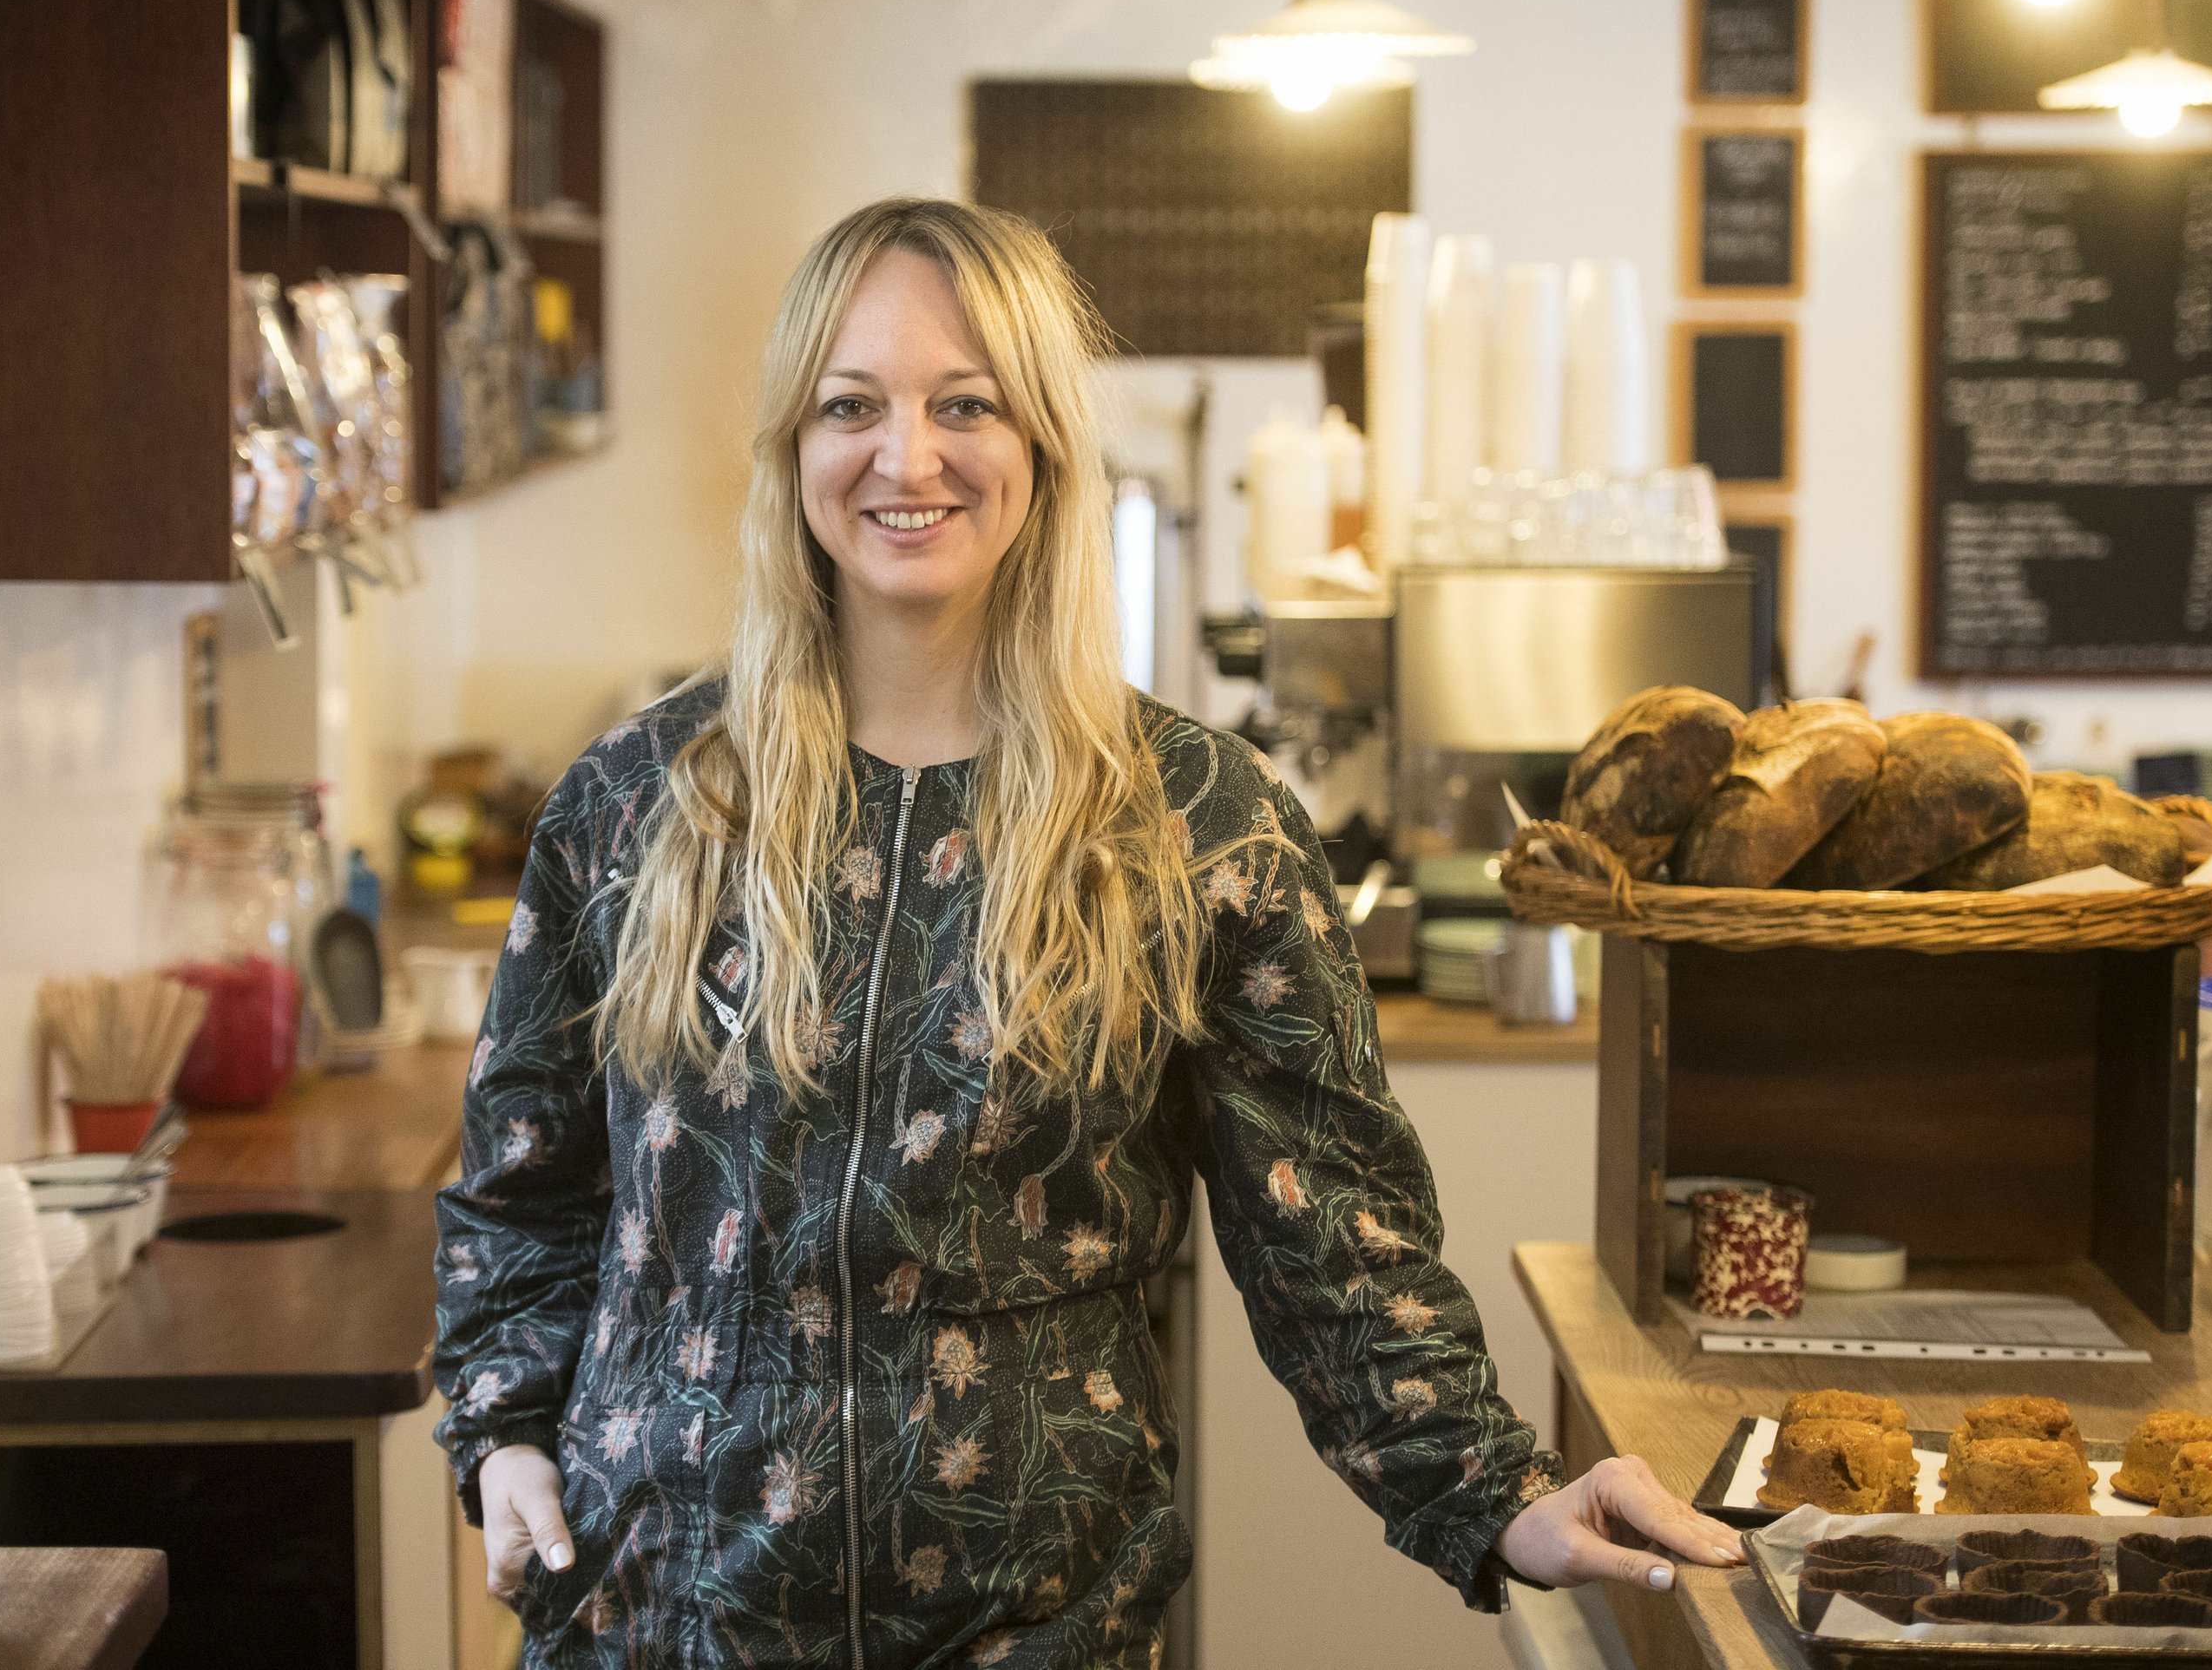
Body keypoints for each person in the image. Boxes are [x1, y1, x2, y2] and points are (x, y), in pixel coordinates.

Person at [433, 195, 1743, 1667]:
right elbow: (523, 1192)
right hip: (655, 1616)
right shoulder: (640, 804)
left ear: (1045, 444)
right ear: (794, 449)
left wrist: (1503, 1494)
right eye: (849, 405)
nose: (904, 457)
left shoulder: (1198, 824)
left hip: (1041, 1627)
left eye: (964, 405)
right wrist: (503, 1437)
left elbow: (1338, 1248)